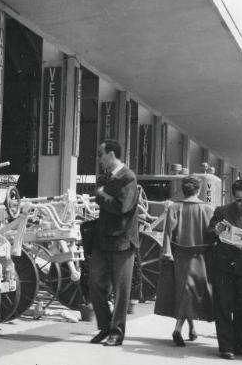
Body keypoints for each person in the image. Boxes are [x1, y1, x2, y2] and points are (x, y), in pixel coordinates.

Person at [88, 139, 140, 347]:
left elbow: (123, 208)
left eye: (101, 155)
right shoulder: (106, 178)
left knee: (121, 289)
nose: (99, 159)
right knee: (95, 284)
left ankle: (116, 333)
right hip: (103, 240)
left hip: (123, 241)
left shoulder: (128, 177)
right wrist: (102, 193)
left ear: (111, 154)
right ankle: (105, 326)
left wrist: (101, 196)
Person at [154, 175, 214, 347]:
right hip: (200, 257)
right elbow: (212, 236)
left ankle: (191, 328)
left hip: (179, 256)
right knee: (190, 292)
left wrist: (166, 253)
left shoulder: (175, 207)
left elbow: (167, 233)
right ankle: (178, 329)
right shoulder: (208, 209)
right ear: (199, 190)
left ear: (183, 190)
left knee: (184, 292)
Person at [207, 178, 242, 360]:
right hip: (224, 268)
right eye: (239, 200)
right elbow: (208, 235)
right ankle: (226, 347)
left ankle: (240, 344)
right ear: (232, 197)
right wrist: (216, 231)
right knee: (224, 308)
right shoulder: (222, 211)